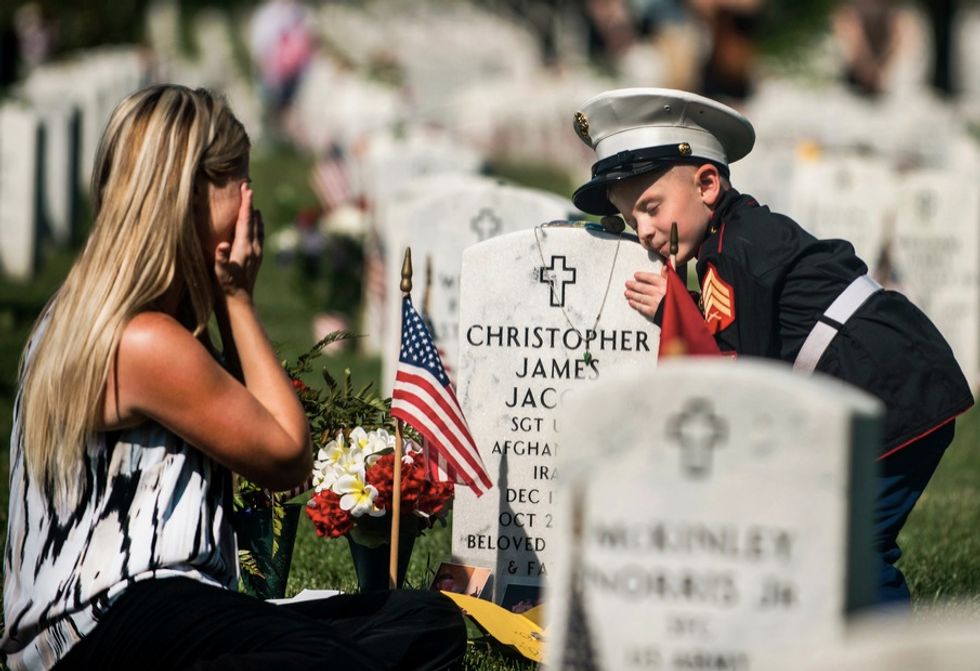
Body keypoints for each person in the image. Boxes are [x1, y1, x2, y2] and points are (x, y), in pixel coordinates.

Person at [1, 84, 466, 670]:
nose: (253, 205)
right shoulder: (141, 341)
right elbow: (286, 458)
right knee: (329, 661)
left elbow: (266, 437)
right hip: (109, 621)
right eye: (240, 184)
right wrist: (237, 298)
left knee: (422, 623)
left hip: (166, 615)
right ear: (186, 196)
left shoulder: (98, 318)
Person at [569, 87, 975, 604]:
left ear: (708, 183)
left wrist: (676, 313)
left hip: (894, 391)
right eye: (633, 221)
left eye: (651, 208)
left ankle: (883, 650)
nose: (645, 231)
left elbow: (748, 385)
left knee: (849, 547)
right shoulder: (732, 239)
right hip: (890, 379)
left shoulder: (737, 255)